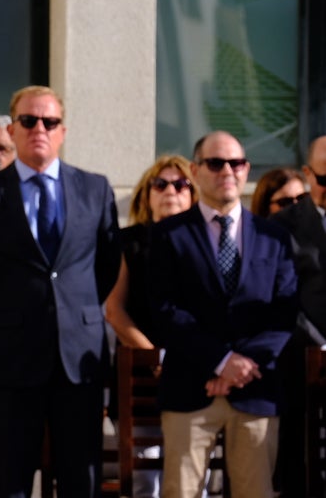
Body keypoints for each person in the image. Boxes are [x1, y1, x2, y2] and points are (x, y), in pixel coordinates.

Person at [0, 84, 120, 498]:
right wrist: (9, 319)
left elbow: (107, 265)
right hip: (13, 360)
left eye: (49, 121)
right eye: (28, 121)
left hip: (78, 361)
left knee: (80, 478)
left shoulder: (95, 189)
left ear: (63, 130)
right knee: (10, 478)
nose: (39, 129)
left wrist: (73, 314)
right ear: (12, 130)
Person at [146, 131, 297, 498]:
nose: (227, 170)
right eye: (216, 163)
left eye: (237, 163)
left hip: (256, 387)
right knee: (180, 492)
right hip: (190, 387)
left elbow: (284, 311)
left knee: (255, 491)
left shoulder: (274, 237)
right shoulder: (169, 235)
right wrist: (220, 361)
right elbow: (163, 310)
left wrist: (241, 368)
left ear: (246, 171)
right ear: (196, 171)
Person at [103, 154, 195, 498]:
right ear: (147, 194)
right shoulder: (127, 242)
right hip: (140, 375)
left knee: (192, 474)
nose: (170, 190)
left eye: (180, 184)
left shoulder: (208, 245)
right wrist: (153, 356)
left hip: (194, 370)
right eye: (161, 184)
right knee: (145, 480)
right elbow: (114, 311)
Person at [270, 134, 326, 498]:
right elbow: (280, 296)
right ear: (307, 174)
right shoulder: (283, 226)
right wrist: (320, 344)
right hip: (302, 362)